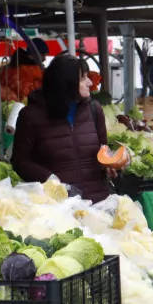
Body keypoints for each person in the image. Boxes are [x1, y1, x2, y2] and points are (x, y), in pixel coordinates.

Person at [12, 55, 111, 201]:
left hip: (97, 201)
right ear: (66, 83)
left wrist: (111, 164)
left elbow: (104, 149)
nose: (90, 83)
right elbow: (20, 161)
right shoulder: (31, 116)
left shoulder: (94, 110)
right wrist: (47, 177)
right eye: (83, 78)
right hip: (57, 206)